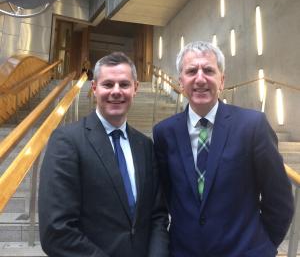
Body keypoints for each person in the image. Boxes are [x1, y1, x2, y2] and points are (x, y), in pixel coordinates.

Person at [153, 41, 294, 257]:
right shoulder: (164, 133)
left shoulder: (252, 125)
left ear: (222, 80)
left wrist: (263, 247)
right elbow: (169, 196)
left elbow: (279, 199)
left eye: (209, 70)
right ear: (181, 82)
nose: (200, 78)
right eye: (191, 71)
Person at [39, 52, 169, 257]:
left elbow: (158, 216)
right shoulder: (67, 141)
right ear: (94, 88)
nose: (116, 91)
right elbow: (56, 231)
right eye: (108, 84)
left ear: (135, 88)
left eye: (124, 85)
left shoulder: (145, 146)